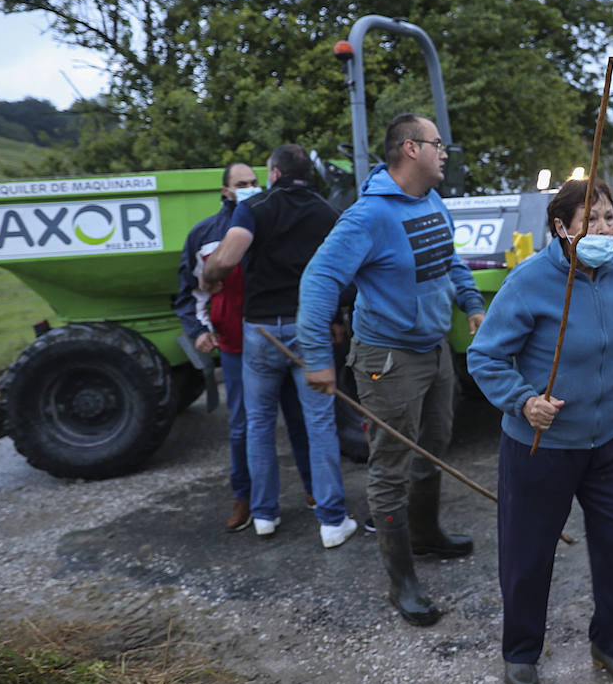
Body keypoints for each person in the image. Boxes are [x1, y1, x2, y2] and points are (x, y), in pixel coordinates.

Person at [467, 178, 613, 684]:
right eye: (593, 219)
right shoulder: (529, 282)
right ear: (562, 228)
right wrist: (524, 401)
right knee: (528, 554)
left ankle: (612, 644)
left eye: (610, 217)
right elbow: (485, 357)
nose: (606, 228)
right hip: (542, 446)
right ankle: (520, 651)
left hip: (611, 440)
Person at [298, 114, 484, 627]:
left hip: (434, 350)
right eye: (437, 144)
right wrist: (316, 357)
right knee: (390, 467)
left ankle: (425, 535)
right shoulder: (368, 217)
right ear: (410, 148)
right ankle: (401, 580)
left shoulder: (430, 200)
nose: (445, 152)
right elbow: (318, 281)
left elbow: (449, 259)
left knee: (437, 443)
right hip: (388, 360)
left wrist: (470, 302)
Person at [202, 144, 357, 550]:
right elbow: (341, 272)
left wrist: (209, 276)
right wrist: (338, 319)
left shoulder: (255, 207)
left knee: (259, 424)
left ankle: (265, 515)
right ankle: (331, 521)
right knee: (319, 423)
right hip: (310, 328)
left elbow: (228, 257)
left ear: (272, 173)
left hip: (261, 332)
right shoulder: (326, 212)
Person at [175, 162, 316, 532]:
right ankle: (246, 499)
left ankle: (313, 490)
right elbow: (188, 292)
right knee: (243, 426)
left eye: (254, 181)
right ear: (225, 191)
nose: (250, 187)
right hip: (236, 346)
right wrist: (198, 331)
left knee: (299, 419)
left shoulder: (267, 218)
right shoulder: (204, 235)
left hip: (277, 334)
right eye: (241, 183)